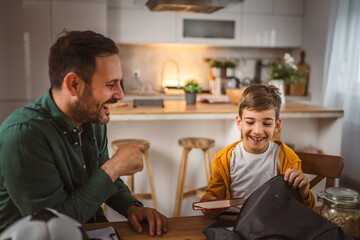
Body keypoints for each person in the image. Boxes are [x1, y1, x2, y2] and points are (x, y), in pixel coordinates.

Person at [0, 30, 167, 236]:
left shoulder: (92, 119)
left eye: (119, 83)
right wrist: (114, 167)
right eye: (110, 84)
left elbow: (102, 177)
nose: (120, 94)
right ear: (74, 85)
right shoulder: (23, 136)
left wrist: (132, 207)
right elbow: (55, 227)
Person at [201, 84, 315, 218]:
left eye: (266, 124)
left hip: (272, 221)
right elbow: (213, 200)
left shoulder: (288, 158)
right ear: (239, 122)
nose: (258, 131)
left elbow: (305, 210)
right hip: (233, 221)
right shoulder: (224, 159)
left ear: (276, 125)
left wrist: (303, 192)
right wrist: (209, 204)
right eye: (250, 122)